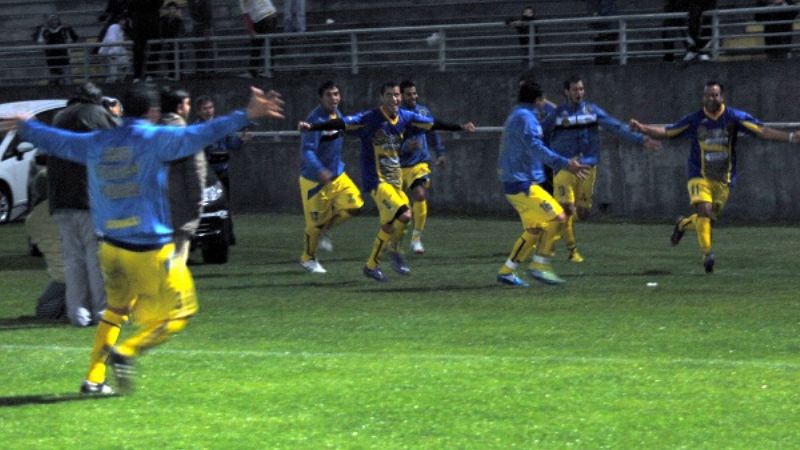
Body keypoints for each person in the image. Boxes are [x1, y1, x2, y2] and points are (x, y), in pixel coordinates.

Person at [1, 83, 285, 395]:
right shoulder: (155, 139)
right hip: (149, 251)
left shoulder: (97, 141)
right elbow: (202, 134)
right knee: (181, 312)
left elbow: (57, 142)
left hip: (110, 249)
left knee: (115, 312)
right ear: (152, 112)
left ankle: (94, 378)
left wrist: (26, 127)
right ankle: (128, 351)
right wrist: (245, 114)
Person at [299, 81, 476, 282]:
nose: (394, 99)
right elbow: (341, 123)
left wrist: (460, 127)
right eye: (390, 95)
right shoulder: (369, 119)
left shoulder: (406, 117)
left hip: (394, 179)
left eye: (397, 95)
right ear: (382, 98)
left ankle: (372, 265)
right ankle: (390, 251)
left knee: (394, 223)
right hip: (377, 181)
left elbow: (432, 123)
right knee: (404, 212)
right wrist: (312, 126)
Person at [629, 81, 800, 273]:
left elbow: (762, 130)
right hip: (698, 175)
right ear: (703, 98)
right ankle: (707, 255)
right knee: (704, 209)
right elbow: (668, 132)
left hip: (722, 179)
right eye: (708, 95)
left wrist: (791, 137)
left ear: (722, 97)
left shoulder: (734, 117)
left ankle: (683, 224)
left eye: (715, 95)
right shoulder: (695, 120)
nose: (711, 99)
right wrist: (643, 128)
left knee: (707, 219)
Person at [542, 75, 660, 263]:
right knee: (567, 208)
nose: (578, 93)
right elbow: (541, 137)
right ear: (566, 92)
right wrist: (552, 160)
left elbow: (616, 127)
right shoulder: (557, 114)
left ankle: (554, 233)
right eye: (574, 89)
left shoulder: (592, 110)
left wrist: (640, 139)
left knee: (583, 213)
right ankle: (572, 251)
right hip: (566, 167)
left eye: (581, 89)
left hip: (588, 167)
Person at [496, 75, 591, 288]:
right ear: (537, 100)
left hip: (517, 181)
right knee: (558, 216)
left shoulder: (518, 114)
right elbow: (536, 148)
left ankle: (507, 271)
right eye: (542, 101)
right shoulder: (526, 119)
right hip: (522, 184)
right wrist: (566, 163)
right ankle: (540, 265)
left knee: (535, 229)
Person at [50, 83, 120, 327]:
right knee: (96, 257)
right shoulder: (96, 114)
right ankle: (102, 311)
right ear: (96, 100)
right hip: (89, 198)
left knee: (72, 260)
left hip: (60, 200)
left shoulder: (59, 117)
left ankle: (78, 313)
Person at [298, 81, 364, 274]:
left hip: (337, 175)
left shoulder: (338, 116)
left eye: (336, 94)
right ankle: (307, 258)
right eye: (329, 95)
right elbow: (308, 151)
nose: (334, 98)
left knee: (356, 205)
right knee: (314, 224)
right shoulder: (315, 120)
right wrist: (320, 170)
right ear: (321, 98)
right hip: (314, 181)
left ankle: (326, 229)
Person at [398, 80, 446, 255]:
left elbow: (432, 133)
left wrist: (440, 153)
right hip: (396, 166)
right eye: (409, 94)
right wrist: (404, 147)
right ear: (401, 96)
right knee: (399, 211)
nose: (413, 97)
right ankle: (393, 243)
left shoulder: (423, 112)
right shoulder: (395, 115)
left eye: (414, 93)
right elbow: (385, 141)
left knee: (419, 194)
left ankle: (416, 239)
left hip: (418, 164)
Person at [161, 86, 206, 264]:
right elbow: (196, 172)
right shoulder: (187, 135)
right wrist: (197, 206)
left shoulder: (149, 132)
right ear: (180, 108)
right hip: (179, 212)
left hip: (151, 214)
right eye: (187, 104)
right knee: (176, 268)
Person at [25, 166, 67, 321]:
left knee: (44, 311)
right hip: (89, 275)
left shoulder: (33, 219)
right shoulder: (76, 212)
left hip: (61, 278)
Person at [32, 14, 79, 86]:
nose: (53, 22)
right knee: (53, 81)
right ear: (48, 22)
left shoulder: (64, 29)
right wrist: (38, 30)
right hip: (51, 59)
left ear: (58, 21)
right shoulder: (44, 30)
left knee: (67, 81)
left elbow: (74, 38)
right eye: (51, 20)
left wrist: (70, 29)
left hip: (63, 58)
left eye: (55, 19)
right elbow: (38, 41)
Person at [240, 0, 278, 77]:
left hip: (261, 17)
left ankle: (255, 71)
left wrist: (251, 31)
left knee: (257, 45)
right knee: (268, 44)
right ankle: (267, 70)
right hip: (271, 14)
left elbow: (246, 15)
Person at [128, 0, 164, 79]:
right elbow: (130, 5)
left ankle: (150, 73)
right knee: (138, 49)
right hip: (139, 23)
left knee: (156, 46)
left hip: (152, 22)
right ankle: (137, 74)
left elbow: (159, 3)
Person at [98, 15, 130, 83]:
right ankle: (114, 82)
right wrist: (114, 52)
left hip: (112, 53)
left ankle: (116, 81)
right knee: (113, 71)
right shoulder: (114, 27)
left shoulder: (121, 31)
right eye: (123, 20)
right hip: (107, 54)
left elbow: (119, 45)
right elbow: (111, 40)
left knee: (125, 66)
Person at [187, 0, 214, 76]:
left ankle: (209, 70)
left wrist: (207, 28)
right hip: (197, 27)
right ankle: (200, 70)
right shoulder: (190, 2)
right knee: (198, 50)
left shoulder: (205, 2)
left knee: (207, 49)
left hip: (205, 26)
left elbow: (208, 15)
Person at [586, 0, 618, 65]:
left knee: (603, 56)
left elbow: (605, 15)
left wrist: (595, 16)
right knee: (602, 56)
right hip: (604, 30)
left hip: (607, 30)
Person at [159, 2, 186, 79]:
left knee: (178, 57)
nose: (172, 10)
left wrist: (177, 39)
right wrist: (163, 39)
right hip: (168, 41)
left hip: (176, 41)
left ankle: (180, 74)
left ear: (176, 10)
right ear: (168, 10)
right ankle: (171, 74)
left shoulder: (179, 20)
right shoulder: (163, 19)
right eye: (170, 9)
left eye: (173, 9)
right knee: (169, 57)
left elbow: (182, 31)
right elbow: (161, 30)